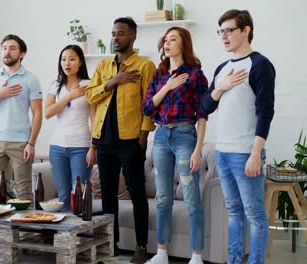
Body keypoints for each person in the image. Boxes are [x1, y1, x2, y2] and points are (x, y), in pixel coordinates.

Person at [200, 10, 275, 264]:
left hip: (246, 153)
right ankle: (233, 261)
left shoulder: (261, 65)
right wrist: (221, 88)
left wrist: (256, 154)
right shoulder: (222, 69)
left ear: (245, 30)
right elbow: (205, 107)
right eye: (220, 31)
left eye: (229, 30)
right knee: (234, 212)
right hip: (223, 151)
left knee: (254, 215)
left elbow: (265, 112)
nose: (224, 36)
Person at [85, 17, 156, 264]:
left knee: (137, 194)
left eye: (121, 33)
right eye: (114, 33)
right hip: (104, 140)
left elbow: (149, 104)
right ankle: (110, 245)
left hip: (130, 141)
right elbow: (90, 95)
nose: (116, 37)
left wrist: (143, 136)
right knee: (107, 196)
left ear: (133, 36)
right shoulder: (104, 66)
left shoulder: (145, 66)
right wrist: (112, 82)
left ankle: (141, 246)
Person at [142, 27, 208, 264]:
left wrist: (198, 149)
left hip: (184, 136)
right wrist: (167, 87)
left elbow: (202, 115)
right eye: (166, 39)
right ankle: (161, 254)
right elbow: (148, 108)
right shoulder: (159, 75)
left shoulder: (195, 75)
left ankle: (197, 256)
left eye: (173, 39)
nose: (167, 43)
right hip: (160, 137)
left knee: (191, 198)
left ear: (184, 44)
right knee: (163, 198)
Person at [0, 34, 43, 204]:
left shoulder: (31, 79)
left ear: (22, 54)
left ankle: (24, 231)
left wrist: (31, 143)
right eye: (4, 48)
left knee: (24, 190)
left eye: (12, 48)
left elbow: (37, 113)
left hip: (20, 143)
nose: (7, 52)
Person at [44, 45, 96, 212]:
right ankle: (66, 238)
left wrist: (93, 147)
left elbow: (95, 119)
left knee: (79, 196)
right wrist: (69, 96)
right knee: (63, 198)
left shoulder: (89, 85)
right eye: (63, 59)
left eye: (72, 59)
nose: (67, 63)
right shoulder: (56, 85)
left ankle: (81, 237)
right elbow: (47, 112)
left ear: (80, 62)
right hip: (57, 147)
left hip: (81, 147)